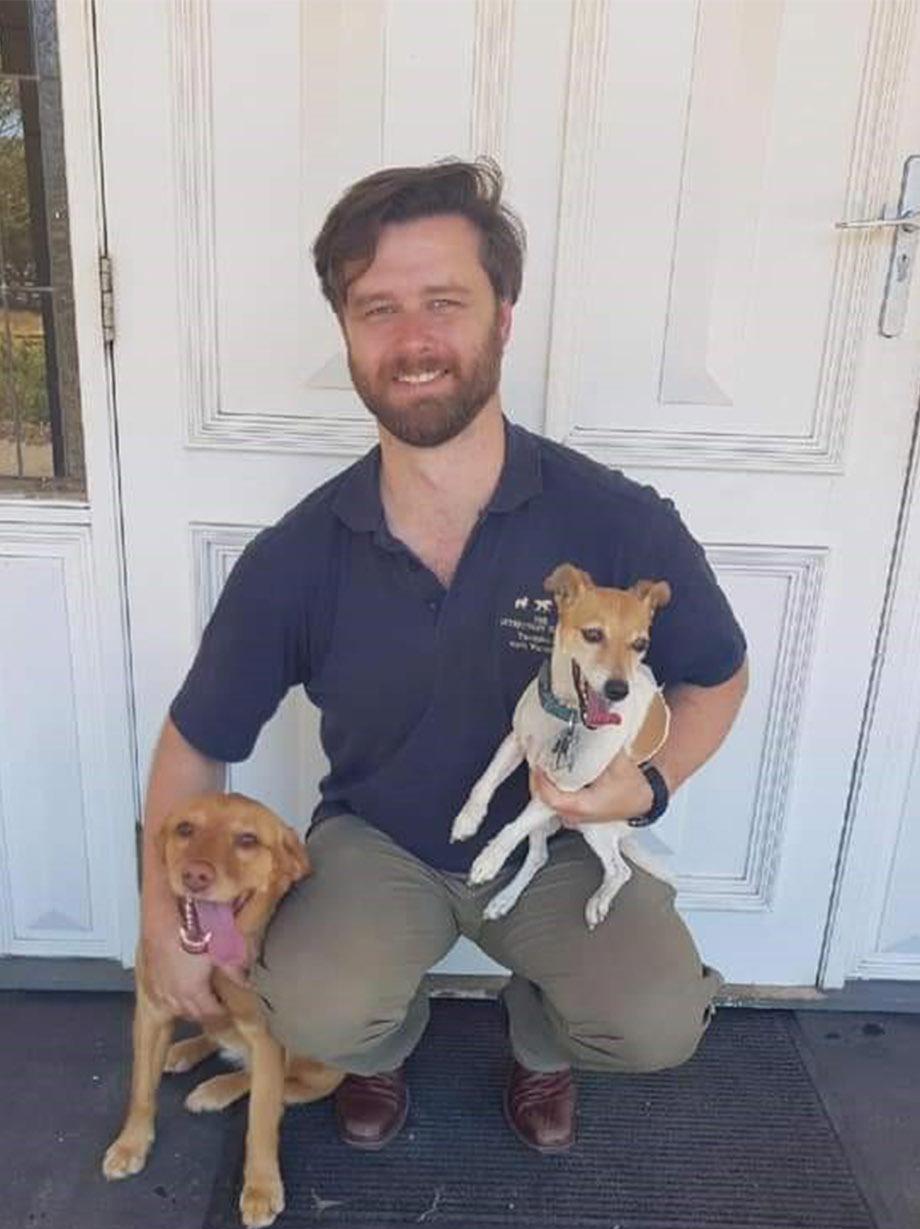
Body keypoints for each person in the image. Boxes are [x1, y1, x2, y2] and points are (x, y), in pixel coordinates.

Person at [142, 159, 748, 1154]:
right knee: (306, 1004)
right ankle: (378, 1049)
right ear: (344, 330)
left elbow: (714, 676)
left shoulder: (612, 519)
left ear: (502, 317)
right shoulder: (298, 555)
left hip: (555, 843)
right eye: (376, 308)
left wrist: (647, 786)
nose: (412, 339)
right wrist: (161, 911)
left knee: (652, 1024)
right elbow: (195, 742)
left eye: (444, 302)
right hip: (380, 844)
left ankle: (537, 1042)